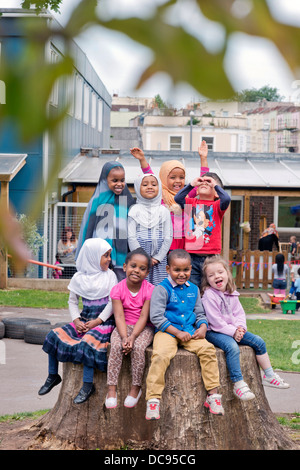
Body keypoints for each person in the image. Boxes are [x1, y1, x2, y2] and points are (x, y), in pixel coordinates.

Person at [145, 249, 224, 420]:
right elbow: (156, 317)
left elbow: (200, 313)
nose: (182, 274)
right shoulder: (161, 289)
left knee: (208, 350)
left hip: (189, 331)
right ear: (168, 269)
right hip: (167, 331)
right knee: (160, 355)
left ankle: (213, 396)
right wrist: (177, 333)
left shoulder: (193, 289)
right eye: (177, 270)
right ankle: (153, 399)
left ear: (190, 269)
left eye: (186, 270)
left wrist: (202, 327)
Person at [38, 238, 118, 404]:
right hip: (84, 319)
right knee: (53, 335)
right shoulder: (78, 278)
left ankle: (88, 385)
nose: (110, 259)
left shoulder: (110, 276)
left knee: (87, 342)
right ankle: (53, 375)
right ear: (92, 257)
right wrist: (76, 320)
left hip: (103, 322)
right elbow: (73, 302)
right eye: (106, 256)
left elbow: (112, 303)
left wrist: (97, 321)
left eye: (109, 255)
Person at [201, 255, 289, 401]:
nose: (216, 276)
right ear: (207, 279)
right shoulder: (209, 296)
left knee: (259, 342)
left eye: (220, 272)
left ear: (227, 274)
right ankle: (238, 383)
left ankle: (269, 375)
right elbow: (215, 322)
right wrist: (233, 332)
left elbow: (239, 314)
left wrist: (240, 328)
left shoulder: (232, 294)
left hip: (235, 329)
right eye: (211, 275)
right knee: (232, 347)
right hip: (214, 331)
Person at [130, 142, 209, 250]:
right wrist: (142, 159)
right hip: (165, 239)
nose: (178, 181)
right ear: (163, 177)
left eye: (181, 177)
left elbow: (201, 181)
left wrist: (203, 158)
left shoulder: (187, 194)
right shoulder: (160, 192)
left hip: (185, 239)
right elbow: (149, 174)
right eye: (172, 177)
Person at [105, 248, 155, 409]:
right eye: (133, 266)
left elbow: (143, 317)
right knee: (116, 347)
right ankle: (111, 389)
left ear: (147, 273)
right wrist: (124, 337)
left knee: (139, 348)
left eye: (142, 268)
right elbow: (119, 316)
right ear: (125, 267)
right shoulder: (117, 289)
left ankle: (136, 387)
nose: (137, 271)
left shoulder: (149, 290)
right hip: (122, 326)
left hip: (143, 328)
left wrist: (132, 337)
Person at [76, 161, 135, 281]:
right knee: (100, 284)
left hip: (121, 255)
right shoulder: (97, 201)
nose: (119, 184)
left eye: (122, 180)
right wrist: (82, 254)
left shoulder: (127, 200)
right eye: (115, 180)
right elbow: (87, 226)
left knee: (121, 286)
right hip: (100, 255)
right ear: (104, 179)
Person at [174, 172, 231, 288]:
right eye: (202, 182)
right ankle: (196, 306)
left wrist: (215, 185)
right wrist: (191, 185)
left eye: (208, 182)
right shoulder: (191, 203)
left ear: (216, 192)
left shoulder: (217, 206)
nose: (204, 183)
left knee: (210, 288)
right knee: (193, 288)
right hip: (192, 257)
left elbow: (226, 198)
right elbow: (178, 198)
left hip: (211, 258)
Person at [128, 173, 173, 285]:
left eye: (154, 184)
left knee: (159, 286)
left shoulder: (164, 211)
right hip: (139, 253)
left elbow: (168, 237)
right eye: (145, 184)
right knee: (140, 283)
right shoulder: (134, 210)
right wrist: (143, 256)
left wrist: (158, 257)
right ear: (138, 188)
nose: (149, 187)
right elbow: (131, 237)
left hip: (159, 256)